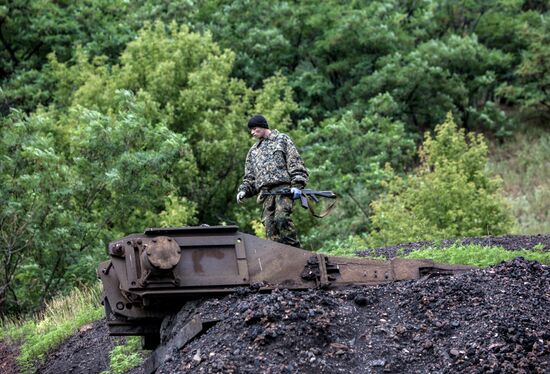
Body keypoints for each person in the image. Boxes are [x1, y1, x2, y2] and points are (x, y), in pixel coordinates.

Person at [236, 114, 308, 247]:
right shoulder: (253, 151)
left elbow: (295, 162)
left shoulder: (282, 140)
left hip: (283, 189)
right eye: (250, 130)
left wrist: (297, 184)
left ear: (263, 127)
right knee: (269, 226)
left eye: (254, 129)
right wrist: (244, 190)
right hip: (266, 194)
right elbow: (250, 177)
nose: (252, 133)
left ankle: (297, 253)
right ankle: (280, 259)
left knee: (282, 219)